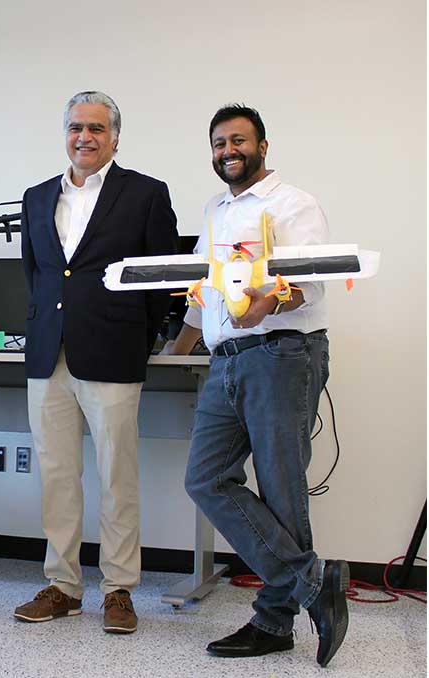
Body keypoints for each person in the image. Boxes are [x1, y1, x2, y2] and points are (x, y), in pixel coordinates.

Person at [165, 104, 348, 667]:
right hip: (226, 360)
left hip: (281, 355)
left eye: (238, 140)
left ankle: (273, 622)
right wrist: (174, 355)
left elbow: (311, 280)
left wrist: (272, 298)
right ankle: (313, 582)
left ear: (263, 146)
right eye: (219, 143)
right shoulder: (216, 210)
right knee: (206, 478)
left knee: (281, 489)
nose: (228, 151)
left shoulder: (292, 204)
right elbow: (201, 292)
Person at [14, 91, 178, 634]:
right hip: (48, 355)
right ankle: (62, 585)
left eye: (97, 128)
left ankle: (118, 590)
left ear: (115, 137)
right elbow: (36, 273)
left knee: (116, 476)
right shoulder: (37, 197)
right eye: (75, 127)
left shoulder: (147, 194)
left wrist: (139, 339)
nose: (84, 136)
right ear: (64, 133)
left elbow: (160, 280)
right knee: (57, 475)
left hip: (112, 352)